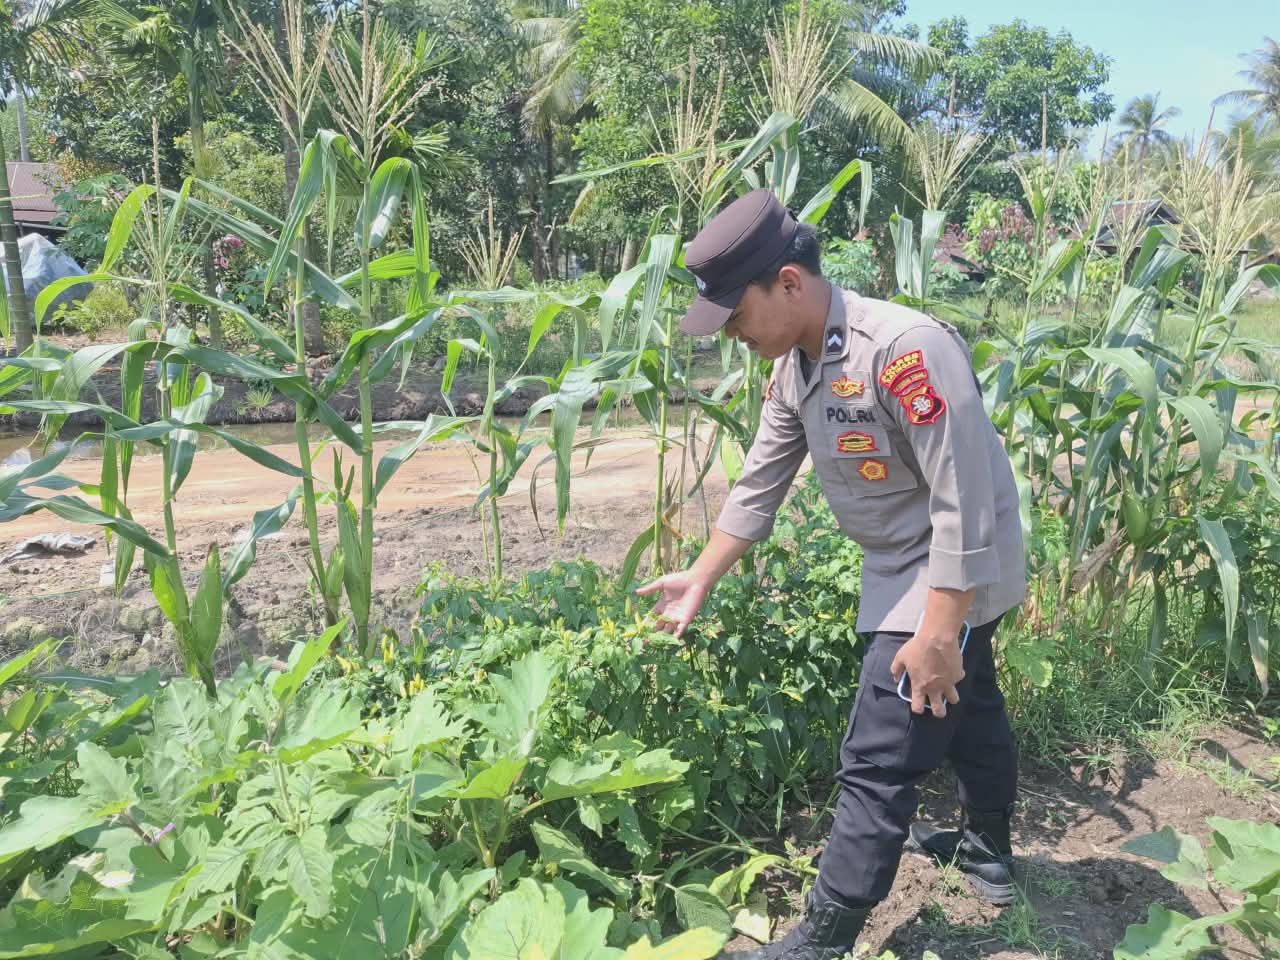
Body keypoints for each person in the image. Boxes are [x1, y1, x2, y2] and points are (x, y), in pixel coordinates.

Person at [637, 189, 1027, 960]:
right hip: (899, 564)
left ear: (788, 283)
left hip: (957, 564)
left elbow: (963, 502)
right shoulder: (797, 364)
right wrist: (703, 576)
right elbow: (761, 480)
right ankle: (986, 849)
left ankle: (824, 937)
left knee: (881, 751)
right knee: (969, 705)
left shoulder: (906, 350)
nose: (734, 337)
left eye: (737, 317)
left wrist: (942, 628)